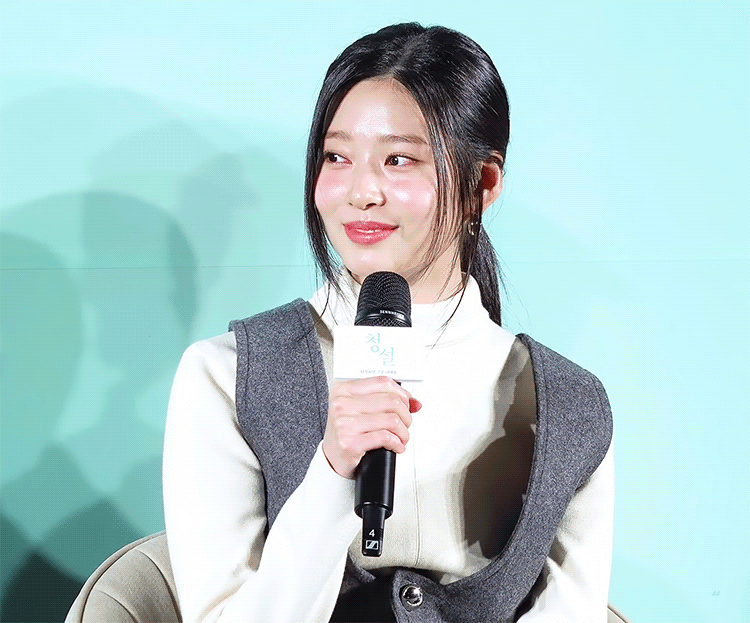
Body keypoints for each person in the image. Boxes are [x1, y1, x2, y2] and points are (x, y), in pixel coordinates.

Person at [163, 22, 614, 623]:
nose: (361, 191)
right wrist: (331, 473)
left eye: (399, 159)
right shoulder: (227, 375)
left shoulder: (569, 406)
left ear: (482, 184)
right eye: (337, 157)